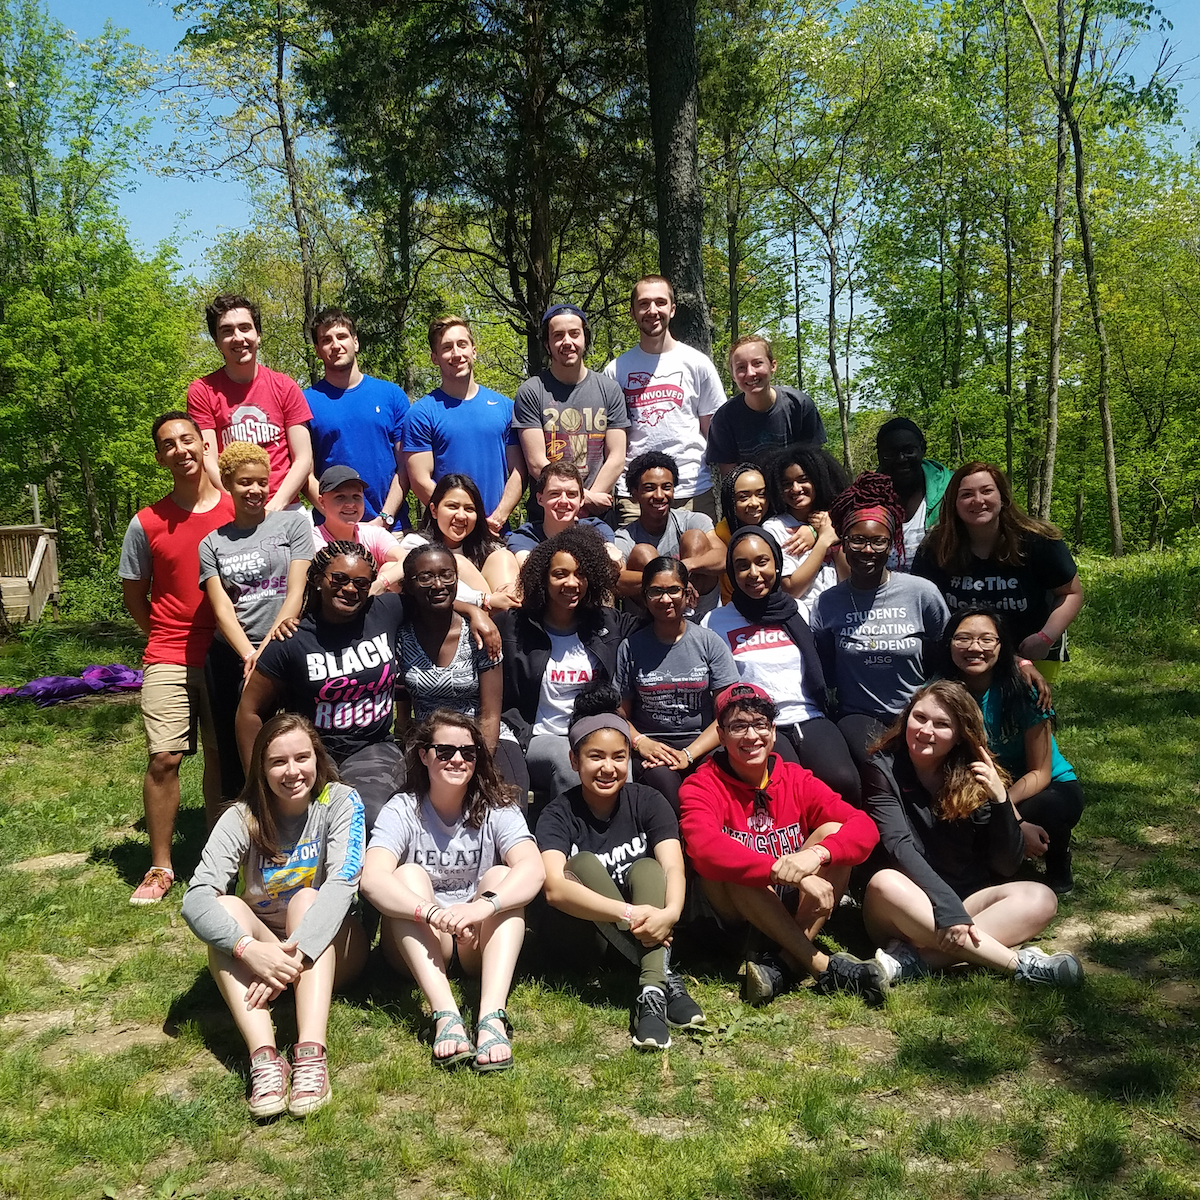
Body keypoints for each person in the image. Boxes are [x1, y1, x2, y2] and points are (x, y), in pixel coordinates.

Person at [238, 541, 499, 828]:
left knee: (371, 818)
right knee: (308, 821)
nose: (350, 589)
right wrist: (257, 785)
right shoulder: (293, 640)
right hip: (313, 750)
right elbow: (249, 712)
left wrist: (476, 613)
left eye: (361, 583)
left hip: (373, 747)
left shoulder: (385, 610)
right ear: (317, 579)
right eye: (339, 579)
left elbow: (433, 600)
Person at [181, 714, 367, 1117]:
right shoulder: (242, 816)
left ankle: (311, 1054)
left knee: (306, 900)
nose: (292, 771)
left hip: (331, 946)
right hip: (267, 951)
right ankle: (264, 1057)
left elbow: (341, 885)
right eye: (278, 762)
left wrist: (293, 958)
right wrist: (248, 949)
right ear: (260, 768)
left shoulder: (340, 800)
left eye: (302, 757)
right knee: (225, 909)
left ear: (317, 757)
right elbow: (195, 898)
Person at [860, 681, 1083, 988]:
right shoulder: (881, 768)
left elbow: (1006, 865)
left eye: (942, 725)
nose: (926, 731)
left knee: (1041, 897)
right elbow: (900, 846)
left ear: (959, 736)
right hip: (903, 906)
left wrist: (1001, 799)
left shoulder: (976, 773)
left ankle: (913, 961)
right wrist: (947, 908)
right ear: (906, 716)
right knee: (885, 882)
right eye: (919, 717)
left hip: (967, 903)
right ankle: (1018, 965)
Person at [679, 683, 885, 1005]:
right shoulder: (702, 784)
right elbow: (704, 848)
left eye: (760, 724)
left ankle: (783, 965)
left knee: (834, 833)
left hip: (788, 907)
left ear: (773, 732)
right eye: (738, 726)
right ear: (720, 735)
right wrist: (787, 872)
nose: (751, 736)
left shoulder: (795, 778)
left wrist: (818, 854)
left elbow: (865, 828)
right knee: (733, 865)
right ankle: (821, 965)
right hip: (735, 919)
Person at [362, 711, 545, 1071]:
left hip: (476, 939)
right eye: (444, 751)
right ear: (424, 755)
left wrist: (482, 908)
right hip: (423, 939)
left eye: (468, 752)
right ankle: (445, 1015)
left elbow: (533, 868)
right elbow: (372, 878)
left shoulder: (498, 805)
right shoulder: (403, 808)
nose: (458, 759)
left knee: (499, 877)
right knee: (408, 874)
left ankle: (491, 1017)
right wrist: (432, 913)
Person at [536, 686, 704, 1050]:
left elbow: (673, 867)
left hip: (651, 928)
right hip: (589, 938)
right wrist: (632, 914)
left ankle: (650, 992)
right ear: (574, 759)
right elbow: (553, 887)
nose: (608, 768)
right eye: (596, 757)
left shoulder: (648, 800)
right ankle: (663, 974)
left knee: (647, 867)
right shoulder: (557, 814)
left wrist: (670, 914)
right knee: (580, 864)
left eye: (619, 756)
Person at [119, 411, 235, 904]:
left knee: (219, 755)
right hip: (168, 652)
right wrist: (162, 637)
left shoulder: (237, 508)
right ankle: (160, 866)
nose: (181, 449)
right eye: (169, 444)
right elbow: (133, 595)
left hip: (227, 651)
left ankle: (217, 856)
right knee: (165, 757)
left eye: (188, 439)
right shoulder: (146, 522)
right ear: (160, 456)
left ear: (204, 445)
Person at [701, 527, 861, 805]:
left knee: (843, 781)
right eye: (742, 566)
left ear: (776, 563)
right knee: (784, 793)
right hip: (756, 725)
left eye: (762, 562)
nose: (753, 573)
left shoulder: (801, 610)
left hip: (808, 715)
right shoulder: (714, 622)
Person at [811, 473, 950, 768]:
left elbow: (948, 651)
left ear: (892, 544)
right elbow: (824, 665)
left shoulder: (921, 593)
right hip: (859, 718)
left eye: (878, 541)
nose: (868, 550)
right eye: (858, 540)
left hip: (918, 715)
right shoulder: (828, 602)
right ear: (844, 544)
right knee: (882, 771)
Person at [199, 442, 312, 804]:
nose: (255, 491)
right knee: (238, 750)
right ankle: (249, 823)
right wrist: (248, 653)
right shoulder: (212, 543)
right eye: (245, 482)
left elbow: (296, 593)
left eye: (262, 482)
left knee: (296, 741)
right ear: (228, 483)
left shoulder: (293, 524)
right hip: (232, 656)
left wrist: (263, 654)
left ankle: (302, 816)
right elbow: (222, 609)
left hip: (287, 646)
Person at [941, 607, 1083, 894]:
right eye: (963, 639)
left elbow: (1040, 771)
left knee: (1048, 807)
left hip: (1043, 785)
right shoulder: (941, 691)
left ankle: (1057, 856)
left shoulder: (1024, 690)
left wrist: (1006, 807)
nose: (974, 648)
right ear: (949, 644)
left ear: (1002, 645)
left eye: (986, 640)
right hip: (979, 784)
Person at [495, 529, 638, 805]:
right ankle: (568, 840)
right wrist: (477, 609)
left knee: (619, 764)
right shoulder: (514, 625)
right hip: (537, 735)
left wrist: (671, 581)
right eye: (560, 574)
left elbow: (659, 609)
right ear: (542, 579)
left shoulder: (606, 622)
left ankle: (620, 843)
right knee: (571, 762)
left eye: (581, 574)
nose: (572, 583)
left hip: (594, 730)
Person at [912, 462, 1083, 684]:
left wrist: (1045, 637)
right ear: (953, 503)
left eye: (986, 491)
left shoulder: (1038, 541)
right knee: (965, 715)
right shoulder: (935, 547)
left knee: (1030, 711)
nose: (978, 500)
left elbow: (1071, 593)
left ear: (1003, 498)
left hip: (1031, 648)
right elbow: (920, 603)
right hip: (967, 653)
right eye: (966, 494)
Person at [396, 544, 529, 794]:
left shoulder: (481, 635)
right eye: (426, 577)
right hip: (429, 741)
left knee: (508, 797)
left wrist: (479, 761)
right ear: (410, 584)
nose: (438, 584)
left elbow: (490, 714)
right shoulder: (401, 635)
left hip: (485, 737)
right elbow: (401, 699)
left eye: (447, 575)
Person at [615, 557, 740, 815]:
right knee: (667, 787)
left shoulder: (709, 643)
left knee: (713, 784)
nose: (665, 599)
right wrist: (640, 742)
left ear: (687, 593)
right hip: (653, 748)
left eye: (673, 590)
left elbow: (729, 712)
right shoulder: (631, 647)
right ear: (645, 596)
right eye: (655, 591)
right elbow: (618, 713)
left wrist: (689, 754)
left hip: (704, 742)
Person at [604, 276, 725, 523]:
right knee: (638, 561)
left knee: (702, 560)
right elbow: (610, 441)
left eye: (660, 302)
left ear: (672, 308)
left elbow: (716, 434)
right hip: (635, 495)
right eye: (644, 303)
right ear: (632, 312)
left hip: (692, 490)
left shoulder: (697, 363)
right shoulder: (615, 370)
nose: (652, 310)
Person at [187, 293, 313, 511]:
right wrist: (237, 504)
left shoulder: (285, 386)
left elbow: (303, 458)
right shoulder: (202, 391)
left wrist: (275, 506)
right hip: (231, 509)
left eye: (245, 328)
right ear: (217, 342)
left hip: (285, 507)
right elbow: (208, 461)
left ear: (258, 334)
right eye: (227, 331)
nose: (238, 337)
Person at [403, 315, 524, 535]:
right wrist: (462, 519)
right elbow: (420, 480)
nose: (456, 354)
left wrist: (498, 517)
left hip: (497, 531)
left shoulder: (506, 407)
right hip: (444, 536)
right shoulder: (421, 414)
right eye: (447, 348)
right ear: (434, 358)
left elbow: (518, 471)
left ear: (474, 351)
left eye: (462, 345)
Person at [512, 303, 629, 516]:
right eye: (558, 335)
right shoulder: (531, 391)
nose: (567, 342)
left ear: (585, 338)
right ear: (547, 345)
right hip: (546, 517)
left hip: (597, 516)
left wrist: (583, 503)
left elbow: (616, 458)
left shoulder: (609, 390)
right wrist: (583, 498)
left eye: (574, 334)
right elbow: (537, 463)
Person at [304, 307, 409, 530]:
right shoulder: (305, 402)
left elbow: (406, 467)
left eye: (342, 337)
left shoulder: (391, 395)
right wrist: (336, 519)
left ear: (355, 342)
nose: (335, 345)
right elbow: (305, 474)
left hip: (392, 529)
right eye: (326, 340)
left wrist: (384, 519)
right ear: (317, 349)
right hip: (331, 532)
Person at [614, 452, 726, 618]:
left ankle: (689, 614)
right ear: (634, 493)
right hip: (650, 620)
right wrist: (668, 580)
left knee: (694, 538)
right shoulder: (624, 536)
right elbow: (616, 580)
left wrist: (687, 565)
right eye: (649, 488)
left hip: (698, 612)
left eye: (666, 487)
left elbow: (723, 557)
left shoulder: (693, 520)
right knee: (643, 553)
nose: (660, 495)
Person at [707, 335, 826, 475]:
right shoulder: (724, 419)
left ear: (773, 365)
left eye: (757, 363)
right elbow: (730, 477)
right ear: (733, 375)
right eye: (741, 367)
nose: (750, 373)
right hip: (753, 494)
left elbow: (814, 462)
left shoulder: (800, 406)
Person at [400, 473, 521, 602]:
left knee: (503, 557)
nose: (461, 516)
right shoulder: (415, 545)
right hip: (446, 617)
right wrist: (486, 600)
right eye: (452, 507)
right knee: (455, 562)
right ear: (434, 510)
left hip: (496, 616)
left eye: (469, 509)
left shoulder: (488, 548)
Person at [762, 445, 848, 615]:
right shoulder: (775, 528)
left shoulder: (837, 520)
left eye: (803, 480)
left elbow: (849, 578)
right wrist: (823, 541)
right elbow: (791, 589)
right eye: (786, 484)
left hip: (841, 613)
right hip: (804, 617)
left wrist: (828, 532)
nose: (795, 488)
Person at [506, 462, 622, 567]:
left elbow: (614, 561)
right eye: (555, 493)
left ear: (581, 500)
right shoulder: (525, 537)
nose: (563, 501)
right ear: (540, 499)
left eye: (571, 494)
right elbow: (530, 568)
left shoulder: (597, 529)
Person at [874, 417, 953, 568]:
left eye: (909, 451)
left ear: (923, 448)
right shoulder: (864, 497)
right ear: (879, 455)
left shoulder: (952, 491)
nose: (901, 459)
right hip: (880, 589)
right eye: (891, 453)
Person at [312, 465, 405, 592]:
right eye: (340, 497)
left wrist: (382, 582)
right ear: (322, 502)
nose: (350, 504)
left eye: (356, 496)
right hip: (333, 606)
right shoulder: (312, 540)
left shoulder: (373, 533)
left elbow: (407, 559)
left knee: (391, 568)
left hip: (374, 604)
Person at [714, 462, 772, 604]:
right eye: (743, 497)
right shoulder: (721, 533)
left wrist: (812, 531)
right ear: (730, 501)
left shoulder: (778, 525)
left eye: (761, 494)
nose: (754, 503)